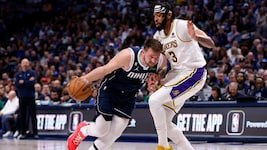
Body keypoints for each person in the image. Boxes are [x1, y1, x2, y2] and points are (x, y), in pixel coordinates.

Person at [67, 38, 167, 150]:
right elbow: (104, 70)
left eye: (156, 58)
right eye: (151, 57)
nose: (153, 60)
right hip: (110, 90)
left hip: (129, 96)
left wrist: (156, 79)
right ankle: (83, 129)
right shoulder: (128, 56)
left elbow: (162, 72)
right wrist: (84, 79)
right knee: (101, 130)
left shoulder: (161, 61)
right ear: (143, 52)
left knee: (113, 134)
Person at [149, 2, 215, 150]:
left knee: (154, 101)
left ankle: (162, 145)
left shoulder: (182, 26)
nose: (156, 19)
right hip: (176, 75)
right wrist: (157, 75)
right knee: (165, 122)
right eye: (154, 16)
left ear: (169, 15)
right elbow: (163, 64)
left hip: (194, 72)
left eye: (159, 15)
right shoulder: (157, 36)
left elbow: (211, 44)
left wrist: (196, 37)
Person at [14, 58, 38, 139]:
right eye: (23, 63)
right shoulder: (18, 74)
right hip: (22, 97)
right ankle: (23, 132)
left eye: (26, 63)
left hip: (30, 96)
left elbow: (32, 83)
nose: (25, 64)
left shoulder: (32, 73)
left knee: (33, 115)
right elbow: (17, 85)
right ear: (21, 64)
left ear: (29, 64)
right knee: (22, 116)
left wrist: (23, 82)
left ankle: (35, 133)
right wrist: (27, 82)